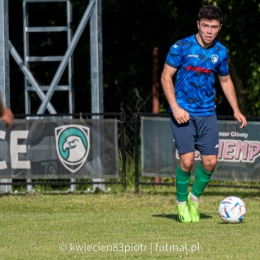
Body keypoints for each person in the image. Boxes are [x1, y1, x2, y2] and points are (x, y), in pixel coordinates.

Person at [161, 5, 247, 223]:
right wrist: (176, 107)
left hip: (208, 113)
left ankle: (194, 198)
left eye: (214, 27)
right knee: (187, 161)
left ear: (219, 28)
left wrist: (236, 109)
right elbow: (165, 77)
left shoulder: (220, 52)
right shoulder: (180, 47)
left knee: (209, 162)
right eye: (206, 26)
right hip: (183, 113)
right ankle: (181, 204)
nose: (209, 31)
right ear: (198, 24)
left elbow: (225, 80)